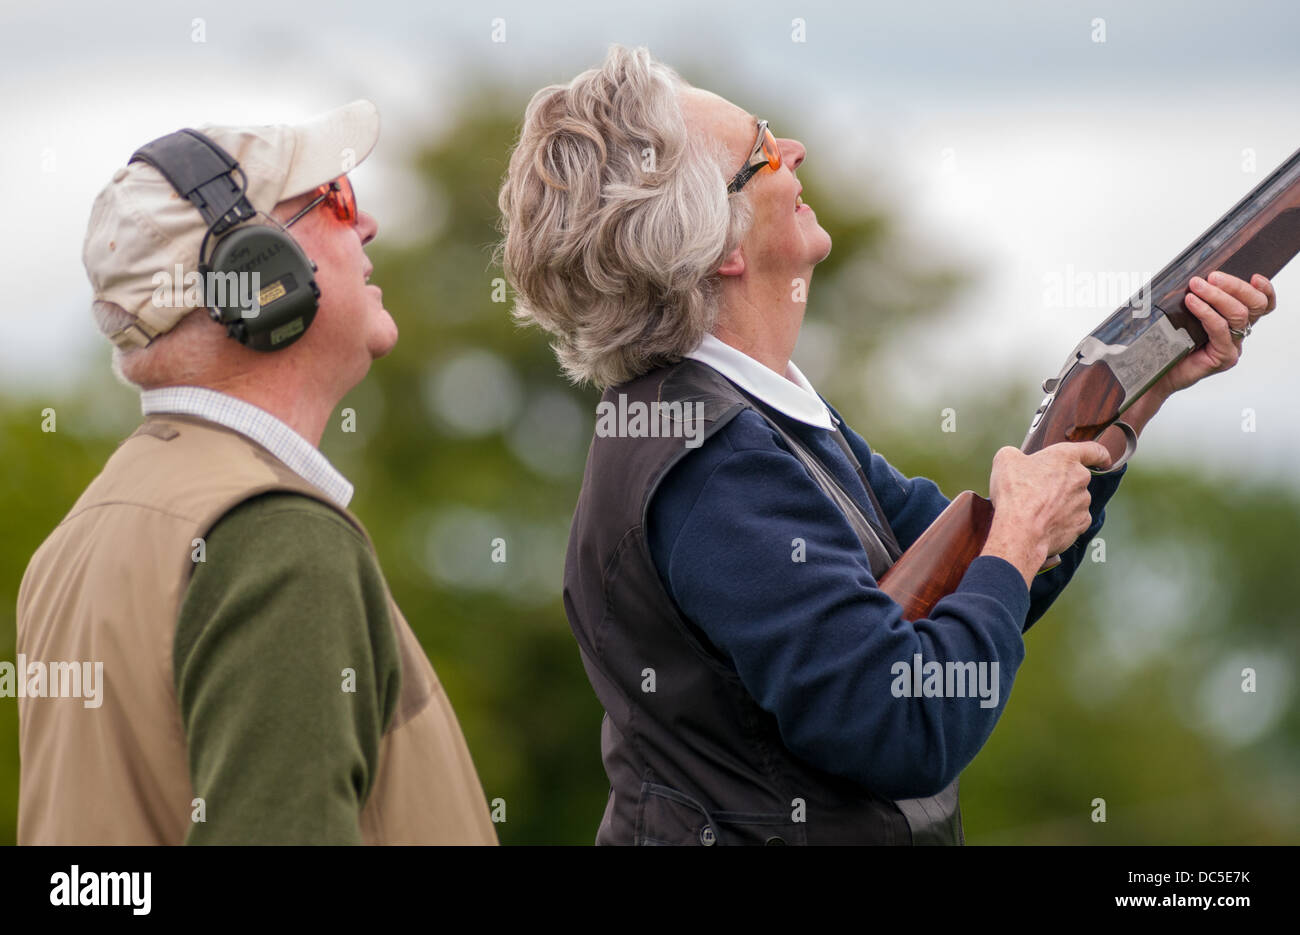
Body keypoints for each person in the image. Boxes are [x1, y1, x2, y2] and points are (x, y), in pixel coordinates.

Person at [497, 46, 1278, 845]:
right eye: (762, 148)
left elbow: (974, 591)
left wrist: (1128, 407)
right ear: (722, 247)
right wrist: (1013, 541)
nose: (794, 150)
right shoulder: (713, 459)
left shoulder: (762, 416)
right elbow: (904, 721)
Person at [17, 101, 497, 845]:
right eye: (336, 199)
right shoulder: (271, 533)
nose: (365, 226)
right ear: (258, 268)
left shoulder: (81, 536)